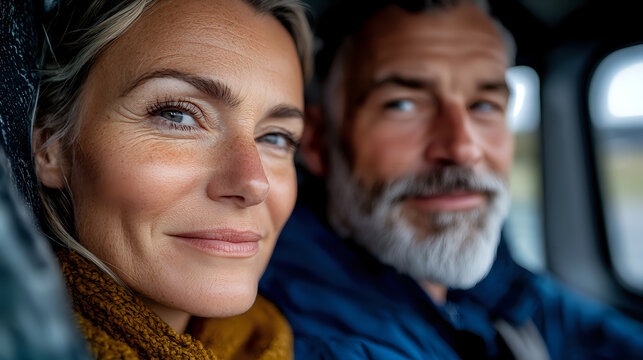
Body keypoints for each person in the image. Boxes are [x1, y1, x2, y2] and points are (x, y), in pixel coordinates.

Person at [259, 0, 643, 359]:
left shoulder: (486, 274)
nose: (462, 148)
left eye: (484, 105)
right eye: (402, 105)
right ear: (317, 142)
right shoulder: (322, 341)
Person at [32, 0, 312, 358]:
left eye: (276, 137)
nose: (254, 184)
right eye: (178, 116)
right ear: (51, 142)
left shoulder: (271, 342)